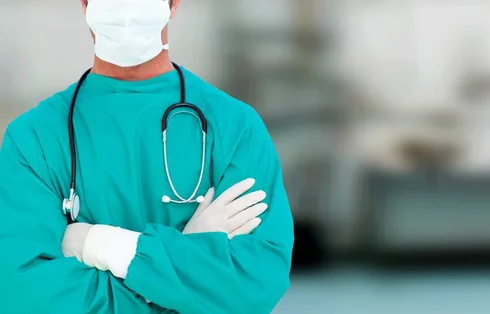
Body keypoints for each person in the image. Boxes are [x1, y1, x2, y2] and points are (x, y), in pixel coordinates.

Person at [0, 0, 294, 313]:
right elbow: (24, 294)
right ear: (85, 3)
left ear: (173, 3)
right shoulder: (34, 138)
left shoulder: (235, 128)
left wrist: (103, 246)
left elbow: (256, 283)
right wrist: (177, 269)